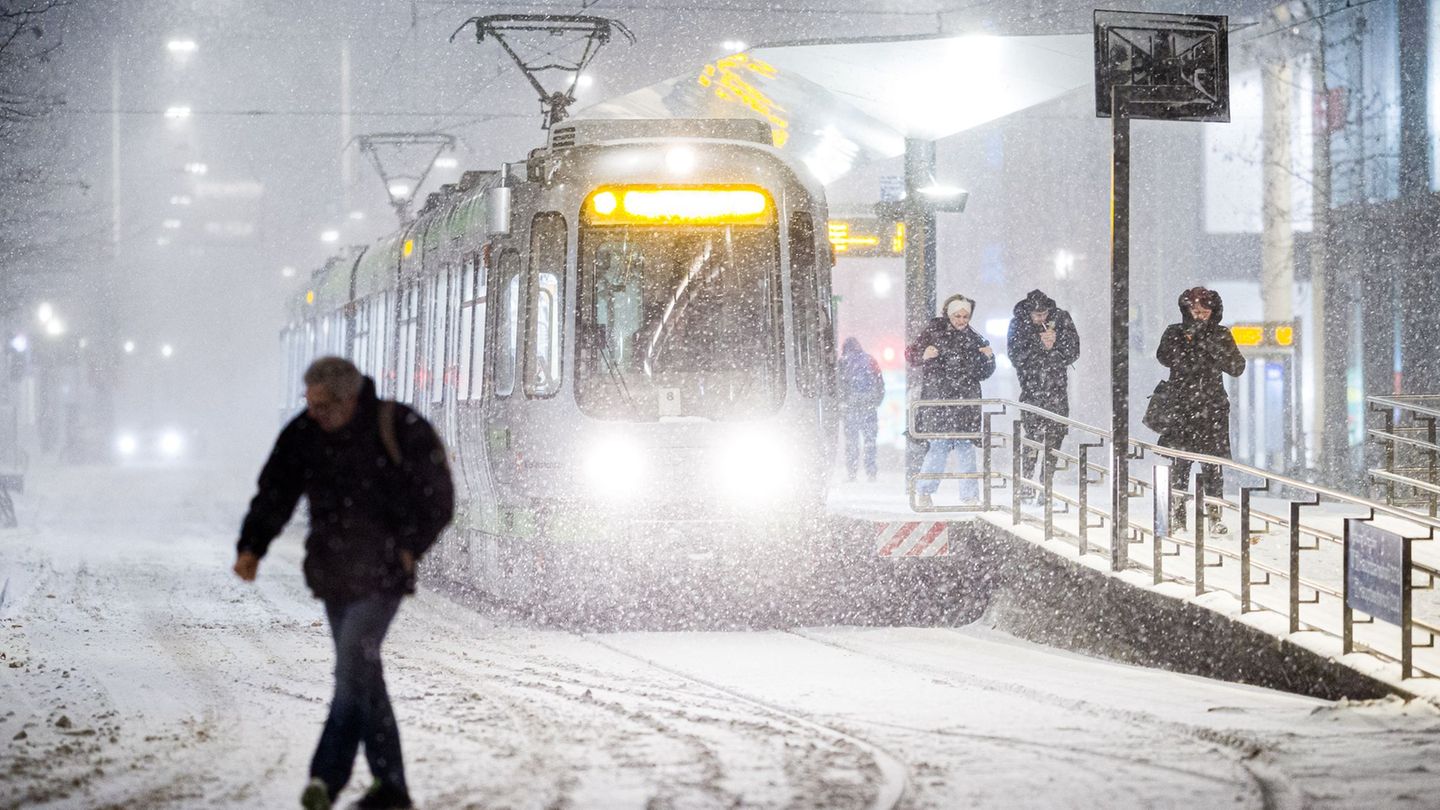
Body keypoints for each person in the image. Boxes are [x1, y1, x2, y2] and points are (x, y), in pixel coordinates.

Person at [233, 357, 454, 810]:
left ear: (350, 398)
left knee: (352, 665)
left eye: (323, 405)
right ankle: (391, 789)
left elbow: (439, 495)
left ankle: (325, 779)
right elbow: (276, 491)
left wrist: (410, 545)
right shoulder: (305, 432)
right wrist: (252, 545)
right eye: (309, 403)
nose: (314, 413)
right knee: (364, 674)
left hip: (383, 576)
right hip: (333, 576)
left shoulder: (398, 426)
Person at [1155, 287, 1245, 534]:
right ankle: (1176, 516)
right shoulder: (1175, 332)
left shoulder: (1221, 334)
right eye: (1195, 311)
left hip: (1211, 410)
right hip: (1182, 408)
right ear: (1186, 310)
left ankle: (1215, 517)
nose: (1200, 317)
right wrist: (1187, 343)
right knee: (1179, 465)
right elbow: (1163, 357)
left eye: (1205, 312)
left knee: (1213, 467)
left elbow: (1237, 367)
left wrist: (1211, 345)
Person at [906, 294, 996, 508]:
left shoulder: (976, 339)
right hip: (939, 402)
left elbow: (984, 373)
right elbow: (911, 354)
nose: (962, 320)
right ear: (949, 314)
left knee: (965, 449)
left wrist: (989, 358)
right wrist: (923, 355)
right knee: (939, 447)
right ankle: (925, 492)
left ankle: (969, 496)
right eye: (958, 315)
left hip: (965, 402)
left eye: (966, 316)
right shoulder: (934, 332)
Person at [1006, 289, 1081, 499]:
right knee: (1032, 436)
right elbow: (1016, 355)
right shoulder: (1018, 324)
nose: (1042, 318)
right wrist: (1040, 345)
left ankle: (1045, 484)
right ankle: (1027, 483)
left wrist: (1055, 345)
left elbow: (1073, 350)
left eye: (1044, 314)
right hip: (1031, 389)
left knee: (1055, 436)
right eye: (1037, 315)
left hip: (1057, 388)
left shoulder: (1062, 319)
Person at [838, 337, 885, 481]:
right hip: (868, 407)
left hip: (850, 408)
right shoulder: (870, 360)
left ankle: (852, 473)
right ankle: (871, 472)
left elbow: (838, 385)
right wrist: (876, 401)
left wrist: (842, 404)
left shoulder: (843, 362)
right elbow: (880, 383)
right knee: (870, 441)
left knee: (852, 442)